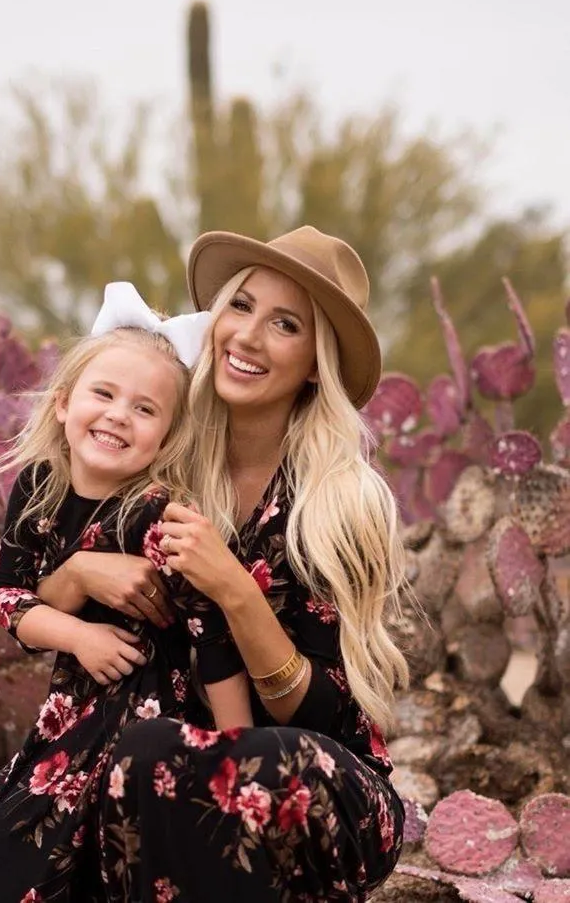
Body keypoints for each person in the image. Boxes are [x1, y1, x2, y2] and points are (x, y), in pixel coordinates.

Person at [41, 226, 409, 902]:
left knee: (237, 761)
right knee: (125, 765)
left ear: (313, 363)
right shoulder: (160, 466)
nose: (247, 336)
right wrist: (81, 572)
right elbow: (41, 582)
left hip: (310, 780)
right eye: (240, 307)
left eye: (285, 323)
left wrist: (235, 590)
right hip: (169, 775)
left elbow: (329, 711)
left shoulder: (342, 501)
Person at [0, 283, 253, 903]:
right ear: (64, 404)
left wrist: (238, 757)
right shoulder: (39, 489)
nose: (119, 413)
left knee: (99, 857)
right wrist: (79, 634)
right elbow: (9, 598)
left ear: (167, 437)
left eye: (146, 409)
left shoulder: (157, 516)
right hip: (72, 713)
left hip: (152, 722)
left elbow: (212, 634)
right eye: (104, 394)